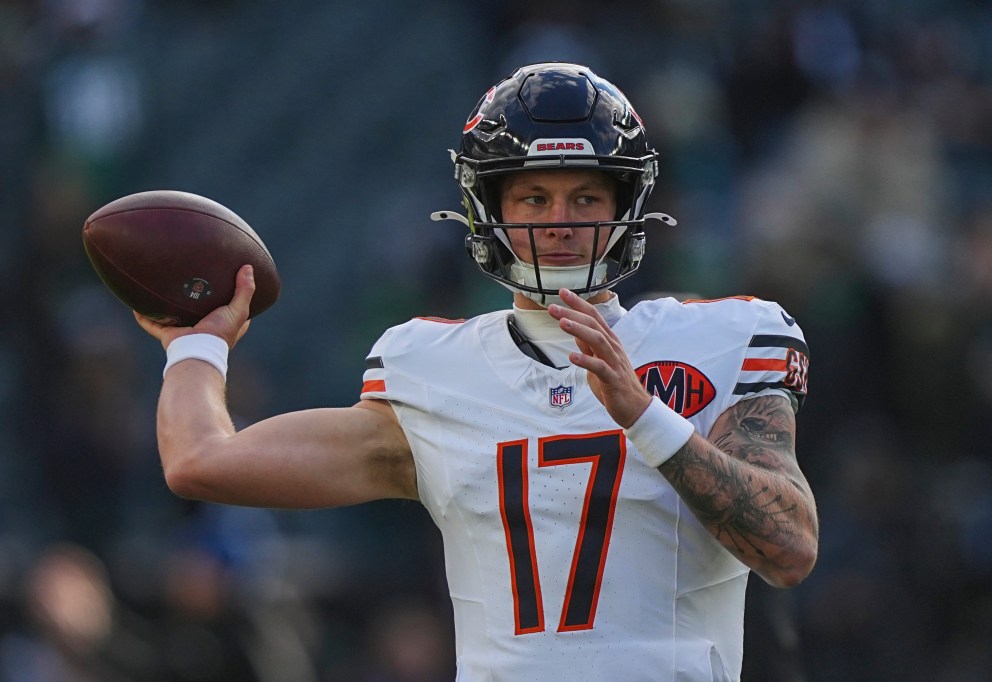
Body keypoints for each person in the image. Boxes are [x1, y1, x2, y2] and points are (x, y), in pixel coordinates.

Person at [135, 62, 818, 681]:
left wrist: (645, 417)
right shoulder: (432, 370)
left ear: (625, 206)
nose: (559, 222)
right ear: (488, 208)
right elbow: (201, 461)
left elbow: (789, 548)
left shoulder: (720, 338)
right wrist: (195, 347)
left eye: (585, 198)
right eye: (533, 199)